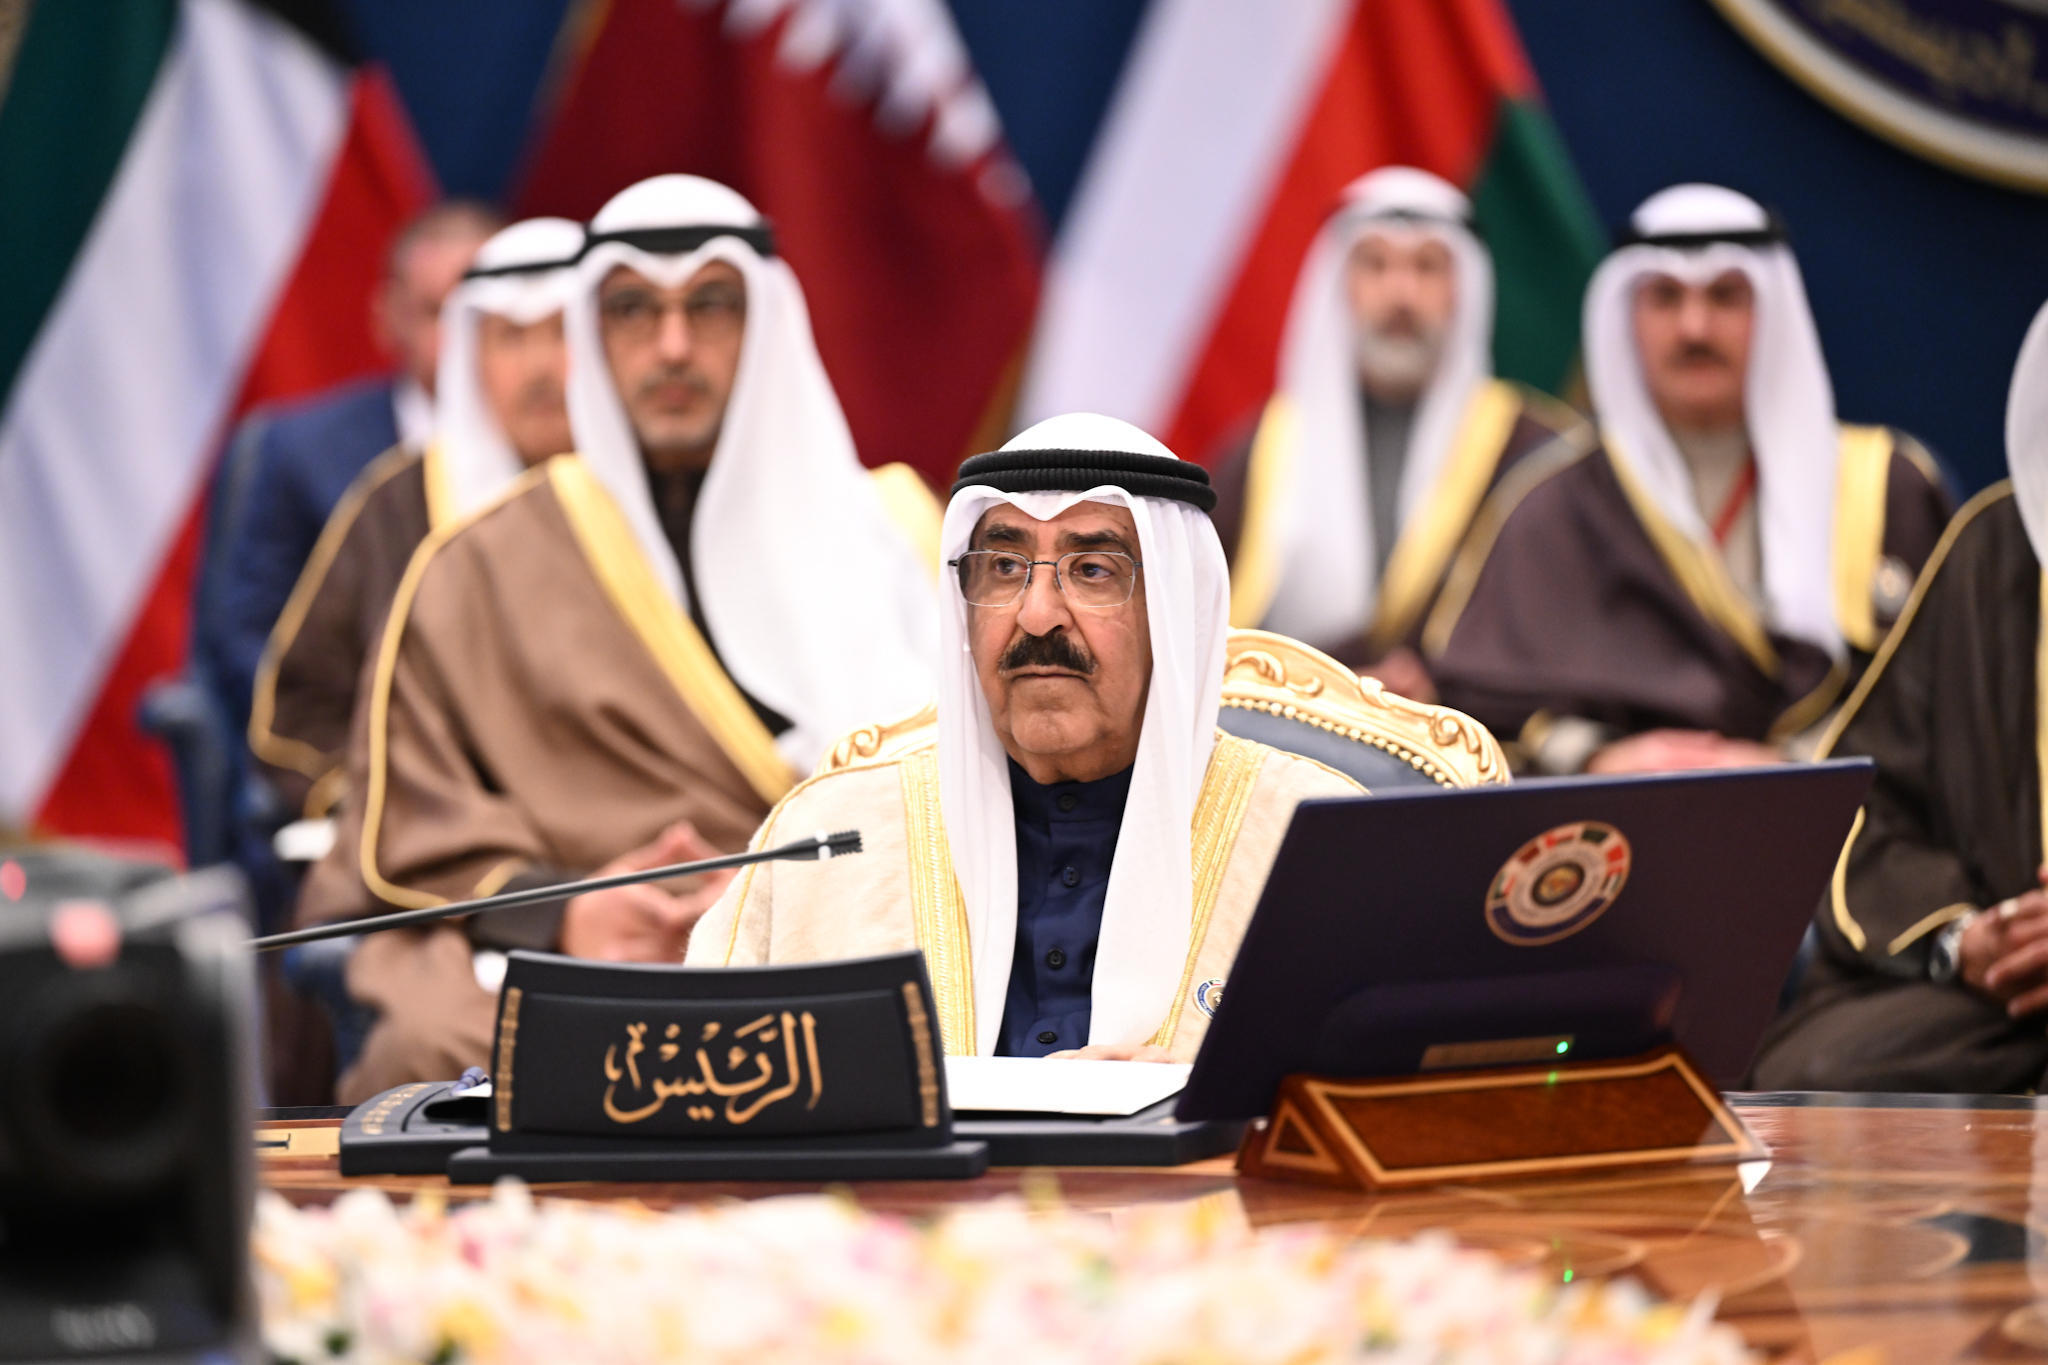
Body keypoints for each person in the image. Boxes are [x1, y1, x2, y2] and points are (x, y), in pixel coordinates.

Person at [296, 175, 939, 1102]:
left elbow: (961, 802)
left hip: (831, 937)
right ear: (592, 336)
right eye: (634, 310)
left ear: (764, 323)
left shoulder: (891, 535)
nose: (672, 346)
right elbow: (409, 819)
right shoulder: (478, 563)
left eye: (711, 305)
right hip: (575, 950)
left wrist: (776, 903)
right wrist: (566, 910)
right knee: (432, 1050)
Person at [686, 414, 1364, 1062]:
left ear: (1175, 614)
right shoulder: (826, 840)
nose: (1036, 616)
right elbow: (708, 1094)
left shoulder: (1318, 842)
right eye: (1004, 568)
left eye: (1094, 570)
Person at [1426, 185, 1951, 775]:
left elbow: (1950, 706)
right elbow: (1477, 710)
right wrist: (1601, 757)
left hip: (1845, 843)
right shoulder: (1557, 499)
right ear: (1628, 317)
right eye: (1666, 298)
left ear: (1773, 313)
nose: (1694, 328)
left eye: (1725, 297)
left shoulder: (1885, 490)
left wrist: (1792, 765)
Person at [1750, 300, 2048, 1094]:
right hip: (2006, 996)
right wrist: (1970, 937)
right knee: (1810, 1077)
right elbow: (1867, 806)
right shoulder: (1994, 551)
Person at [246, 217, 582, 820]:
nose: (540, 368)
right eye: (511, 337)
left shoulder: (658, 497)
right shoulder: (396, 503)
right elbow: (299, 716)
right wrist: (389, 812)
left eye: (563, 334)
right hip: (438, 853)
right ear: (473, 354)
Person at [1213, 168, 1583, 700]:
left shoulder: (1537, 453)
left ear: (1463, 288)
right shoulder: (1261, 453)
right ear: (1341, 282)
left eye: (1427, 267)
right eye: (1375, 264)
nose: (1401, 293)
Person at [200, 201, 503, 739]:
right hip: (346, 757)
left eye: (480, 314)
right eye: (438, 313)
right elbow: (249, 644)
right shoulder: (301, 453)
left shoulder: (566, 453)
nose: (461, 340)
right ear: (388, 320)